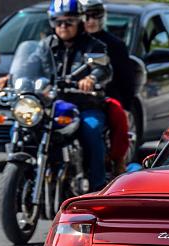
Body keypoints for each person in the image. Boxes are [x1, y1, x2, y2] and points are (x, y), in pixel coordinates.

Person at [46, 0, 113, 191]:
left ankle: (97, 186)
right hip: (53, 105)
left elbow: (104, 68)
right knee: (24, 128)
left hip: (86, 105)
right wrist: (12, 77)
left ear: (80, 21)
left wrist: (92, 77)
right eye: (58, 22)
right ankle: (25, 174)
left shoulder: (93, 46)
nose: (63, 26)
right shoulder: (46, 46)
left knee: (91, 130)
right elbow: (32, 64)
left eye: (69, 22)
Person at [81, 0, 133, 173]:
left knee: (118, 115)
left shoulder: (115, 45)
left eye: (95, 15)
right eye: (86, 15)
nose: (91, 20)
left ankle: (117, 160)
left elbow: (126, 79)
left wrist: (126, 106)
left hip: (104, 96)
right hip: (71, 95)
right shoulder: (68, 42)